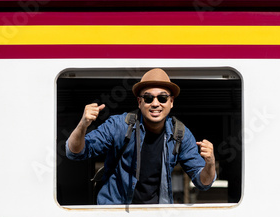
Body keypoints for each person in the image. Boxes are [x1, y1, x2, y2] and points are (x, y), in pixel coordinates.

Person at [66, 68, 216, 204]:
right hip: (115, 214)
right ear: (139, 102)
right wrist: (83, 125)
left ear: (171, 102)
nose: (155, 103)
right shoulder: (119, 125)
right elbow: (75, 153)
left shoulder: (180, 133)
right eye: (148, 98)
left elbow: (203, 183)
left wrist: (210, 163)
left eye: (162, 98)